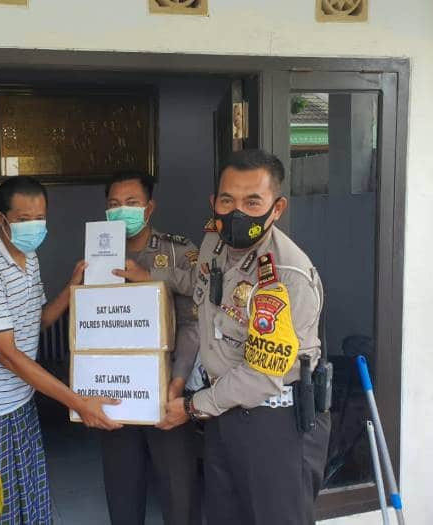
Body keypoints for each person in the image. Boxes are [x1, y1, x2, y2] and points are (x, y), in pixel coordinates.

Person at [121, 150, 331, 525]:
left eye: (253, 202)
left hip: (274, 423)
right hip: (224, 413)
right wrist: (152, 276)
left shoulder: (286, 276)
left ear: (277, 208)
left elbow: (263, 376)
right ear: (214, 202)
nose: (237, 213)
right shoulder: (214, 243)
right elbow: (200, 284)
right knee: (224, 514)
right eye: (227, 200)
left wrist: (190, 407)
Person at [0, 176, 121, 525]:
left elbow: (37, 321)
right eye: (24, 219)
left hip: (19, 399)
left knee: (29, 496)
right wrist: (77, 402)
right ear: (1, 219)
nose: (34, 226)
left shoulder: (29, 257)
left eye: (40, 218)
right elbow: (7, 355)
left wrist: (72, 289)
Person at [100, 172, 202, 525]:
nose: (122, 210)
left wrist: (177, 382)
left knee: (178, 496)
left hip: (167, 395)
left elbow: (192, 324)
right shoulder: (99, 255)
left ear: (149, 207)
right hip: (116, 396)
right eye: (114, 204)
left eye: (131, 203)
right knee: (123, 497)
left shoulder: (179, 251)